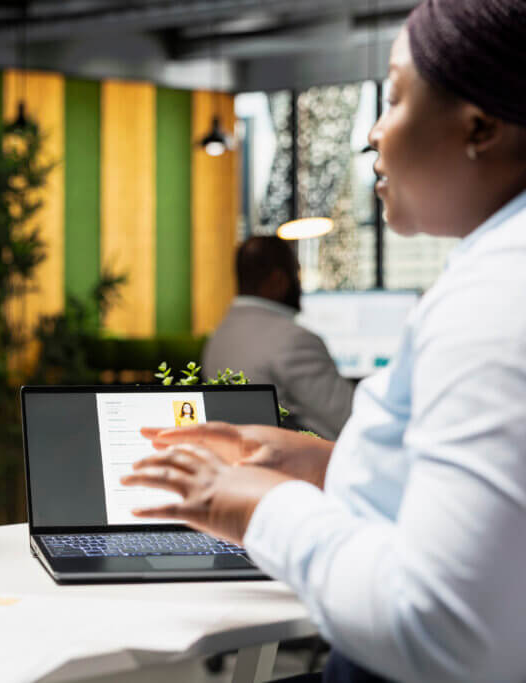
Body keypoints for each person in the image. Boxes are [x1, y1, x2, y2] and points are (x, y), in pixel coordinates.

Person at [122, 0, 526, 680]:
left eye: (394, 97)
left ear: (478, 128)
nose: (372, 133)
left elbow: (443, 629)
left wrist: (254, 505)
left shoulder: (495, 299)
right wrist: (327, 464)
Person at [202, 235, 354, 440]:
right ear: (278, 281)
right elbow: (351, 417)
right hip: (307, 464)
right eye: (296, 276)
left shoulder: (219, 336)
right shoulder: (294, 341)